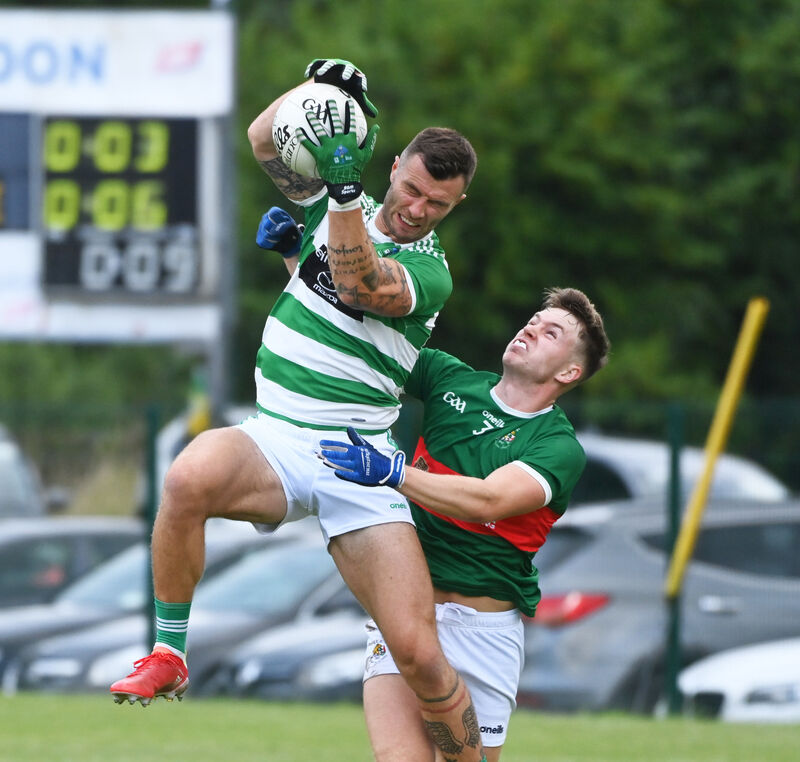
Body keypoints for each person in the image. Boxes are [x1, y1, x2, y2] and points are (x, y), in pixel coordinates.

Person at [109, 57, 485, 762]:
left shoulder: (431, 270)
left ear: (452, 207)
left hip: (361, 464)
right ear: (396, 161)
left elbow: (360, 280)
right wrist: (325, 95)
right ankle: (168, 651)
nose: (416, 208)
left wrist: (343, 194)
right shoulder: (332, 200)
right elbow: (262, 138)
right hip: (277, 439)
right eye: (410, 188)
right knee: (189, 477)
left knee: (417, 653)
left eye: (436, 203)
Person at [319, 286, 610, 761]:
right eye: (535, 319)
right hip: (408, 614)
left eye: (551, 331)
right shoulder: (448, 378)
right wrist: (299, 262)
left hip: (483, 633)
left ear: (569, 371)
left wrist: (394, 473)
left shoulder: (558, 446)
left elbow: (489, 501)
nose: (531, 328)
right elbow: (360, 344)